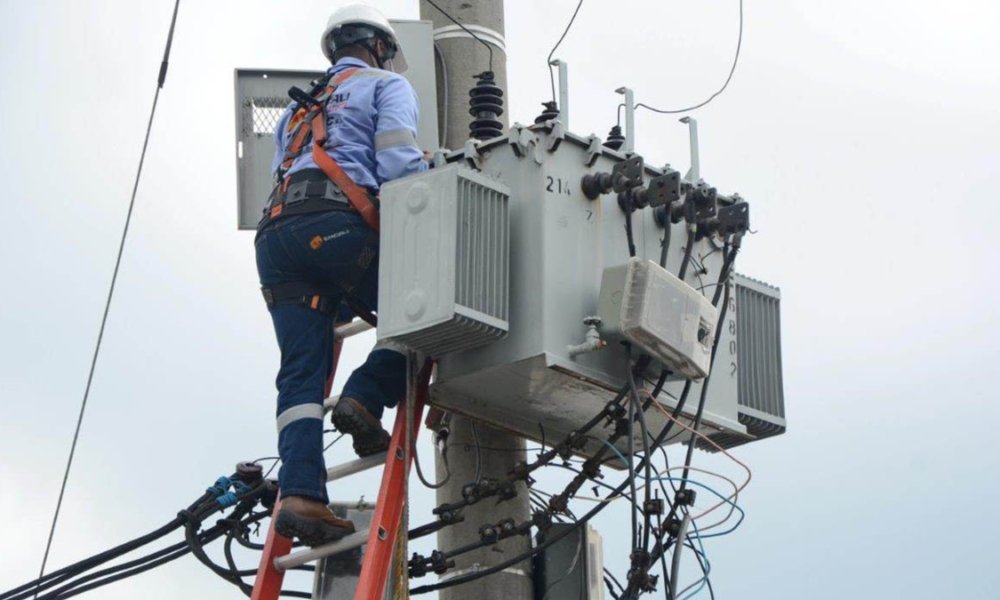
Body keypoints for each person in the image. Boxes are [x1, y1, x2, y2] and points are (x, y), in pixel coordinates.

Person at [254, 4, 427, 546]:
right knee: (427, 312)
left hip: (277, 240)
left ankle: (302, 494)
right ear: (381, 47)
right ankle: (363, 395)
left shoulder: (295, 112)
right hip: (339, 228)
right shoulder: (387, 86)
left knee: (299, 376)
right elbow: (399, 164)